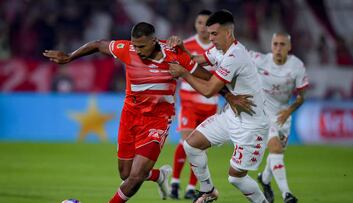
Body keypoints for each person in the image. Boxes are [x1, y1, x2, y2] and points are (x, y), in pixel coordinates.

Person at [43, 22, 253, 203]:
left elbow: (206, 76)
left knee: (135, 177)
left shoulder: (174, 55)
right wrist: (70, 57)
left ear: (154, 41)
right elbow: (99, 44)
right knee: (126, 174)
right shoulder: (128, 49)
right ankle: (159, 176)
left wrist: (229, 96)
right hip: (130, 117)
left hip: (157, 121)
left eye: (142, 46)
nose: (138, 50)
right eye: (134, 45)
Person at [168, 10, 270, 203]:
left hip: (251, 124)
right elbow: (196, 61)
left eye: (214, 33)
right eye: (209, 33)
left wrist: (183, 74)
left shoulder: (235, 56)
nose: (209, 37)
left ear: (228, 33)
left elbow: (208, 89)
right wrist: (183, 50)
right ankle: (208, 191)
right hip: (231, 115)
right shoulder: (220, 50)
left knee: (235, 178)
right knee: (191, 144)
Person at [250, 33, 308, 203]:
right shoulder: (260, 60)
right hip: (263, 113)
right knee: (275, 148)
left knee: (277, 153)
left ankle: (264, 179)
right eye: (275, 44)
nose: (278, 48)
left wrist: (289, 111)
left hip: (283, 115)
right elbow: (237, 54)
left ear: (289, 47)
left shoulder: (296, 66)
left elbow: (301, 97)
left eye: (282, 44)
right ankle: (287, 194)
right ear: (271, 45)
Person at [170, 9, 216, 200]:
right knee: (186, 142)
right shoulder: (186, 45)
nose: (203, 27)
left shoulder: (217, 49)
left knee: (199, 149)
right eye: (199, 23)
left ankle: (191, 187)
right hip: (189, 102)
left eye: (207, 24)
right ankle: (174, 182)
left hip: (210, 103)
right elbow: (173, 70)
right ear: (195, 24)